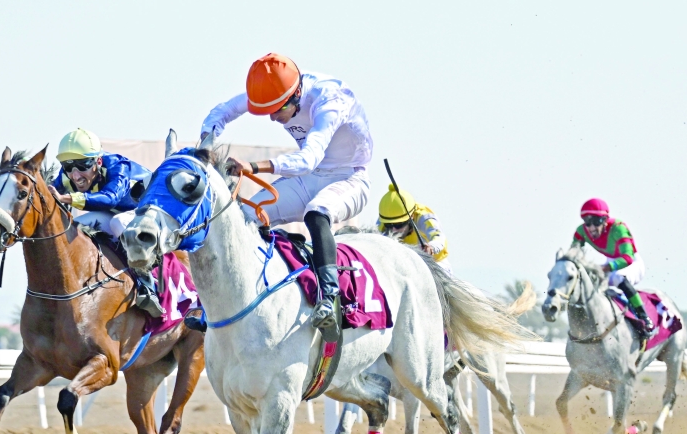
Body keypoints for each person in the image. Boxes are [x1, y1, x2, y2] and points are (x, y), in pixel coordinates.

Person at [201, 53, 373, 334]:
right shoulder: (275, 86)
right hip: (309, 178)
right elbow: (220, 112)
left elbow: (308, 159)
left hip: (349, 177)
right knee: (243, 217)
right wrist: (207, 142)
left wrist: (254, 166)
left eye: (276, 111)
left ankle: (329, 298)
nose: (272, 118)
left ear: (296, 95)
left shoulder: (329, 101)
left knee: (316, 213)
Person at [52, 128, 161, 315]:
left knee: (118, 223)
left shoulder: (117, 166)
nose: (76, 175)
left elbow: (110, 198)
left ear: (98, 161)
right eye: (68, 167)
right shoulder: (66, 175)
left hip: (151, 213)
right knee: (75, 227)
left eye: (82, 165)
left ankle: (148, 285)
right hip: (118, 214)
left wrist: (67, 198)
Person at [570, 198, 654, 337]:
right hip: (610, 262)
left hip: (632, 263)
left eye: (596, 222)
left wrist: (605, 268)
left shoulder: (618, 228)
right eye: (588, 222)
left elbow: (627, 257)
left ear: (604, 220)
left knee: (617, 277)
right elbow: (573, 254)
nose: (591, 228)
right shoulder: (581, 231)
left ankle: (644, 318)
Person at [377, 184, 451, 272]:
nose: (393, 230)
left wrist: (431, 247)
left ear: (411, 216)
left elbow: (439, 237)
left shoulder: (424, 217)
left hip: (436, 264)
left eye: (398, 225)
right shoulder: (383, 222)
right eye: (389, 226)